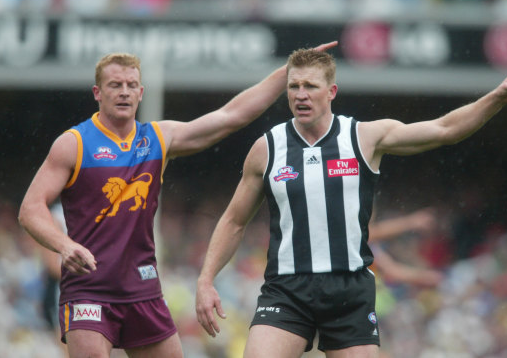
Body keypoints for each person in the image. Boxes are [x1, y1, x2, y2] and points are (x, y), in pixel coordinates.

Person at [195, 48, 507, 357]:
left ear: (331, 92)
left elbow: (444, 129)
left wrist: (495, 99)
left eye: (311, 86)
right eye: (294, 86)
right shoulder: (267, 148)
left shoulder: (363, 137)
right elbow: (234, 221)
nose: (301, 94)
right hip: (287, 289)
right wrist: (206, 279)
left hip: (349, 289)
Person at [17, 41, 338, 358]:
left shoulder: (157, 138)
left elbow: (230, 116)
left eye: (131, 85)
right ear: (97, 93)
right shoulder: (73, 144)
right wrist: (64, 244)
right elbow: (30, 209)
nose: (124, 92)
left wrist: (287, 73)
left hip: (143, 290)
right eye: (115, 85)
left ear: (141, 93)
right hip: (89, 289)